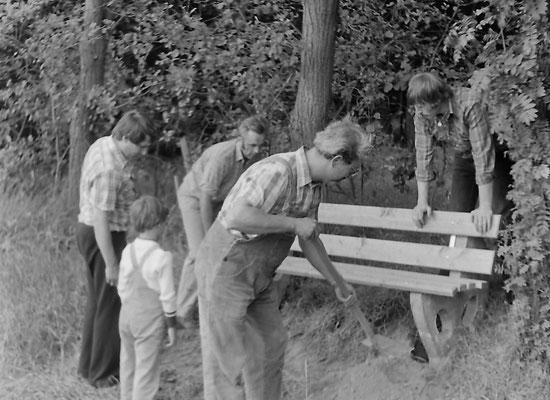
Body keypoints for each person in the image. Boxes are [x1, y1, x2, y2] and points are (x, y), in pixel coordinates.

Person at [195, 117, 371, 400]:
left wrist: (337, 281)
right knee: (228, 362)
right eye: (349, 172)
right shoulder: (277, 171)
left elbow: (309, 238)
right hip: (226, 268)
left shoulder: (314, 187)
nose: (346, 179)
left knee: (271, 344)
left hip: (259, 276)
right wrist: (292, 223)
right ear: (337, 160)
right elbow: (238, 216)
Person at [407, 72, 513, 362]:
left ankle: (513, 290)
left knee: (495, 221)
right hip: (463, 161)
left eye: (421, 106)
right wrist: (422, 202)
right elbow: (423, 155)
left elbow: (484, 157)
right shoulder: (423, 114)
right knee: (458, 229)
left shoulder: (468, 103)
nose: (417, 111)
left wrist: (485, 206)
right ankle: (445, 312)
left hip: (496, 157)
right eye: (416, 107)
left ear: (437, 100)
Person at [76, 110, 154, 388]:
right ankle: (103, 375)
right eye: (140, 145)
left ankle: (88, 367)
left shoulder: (105, 144)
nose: (144, 151)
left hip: (93, 232)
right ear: (123, 137)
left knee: (99, 302)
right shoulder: (109, 168)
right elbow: (101, 218)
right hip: (103, 237)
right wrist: (111, 262)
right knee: (111, 304)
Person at [176, 115, 270, 327]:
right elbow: (204, 197)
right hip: (194, 198)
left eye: (259, 146)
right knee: (199, 252)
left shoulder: (255, 157)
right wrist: (210, 234)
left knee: (223, 250)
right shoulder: (223, 156)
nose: (256, 150)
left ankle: (212, 304)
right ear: (241, 137)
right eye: (252, 145)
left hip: (220, 200)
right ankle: (180, 313)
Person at [117, 195, 177, 400]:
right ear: (159, 224)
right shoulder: (162, 257)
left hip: (126, 316)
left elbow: (122, 286)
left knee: (128, 365)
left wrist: (129, 306)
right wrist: (171, 325)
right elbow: (168, 297)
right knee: (146, 372)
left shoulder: (128, 250)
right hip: (148, 321)